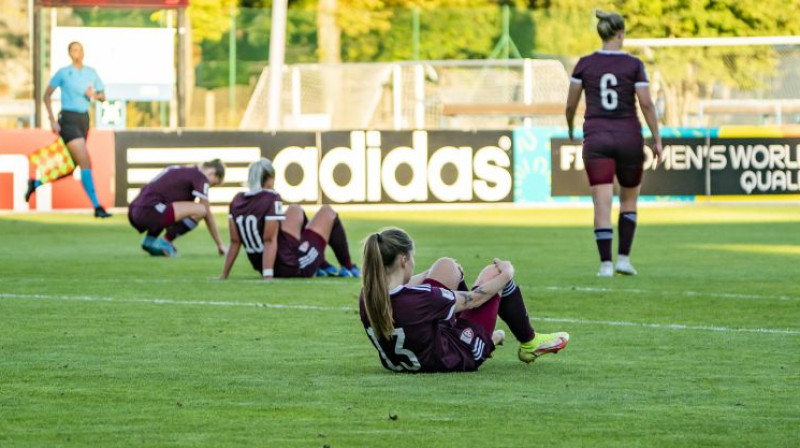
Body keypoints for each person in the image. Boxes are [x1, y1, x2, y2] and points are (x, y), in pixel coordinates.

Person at [359, 228, 570, 373]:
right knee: (492, 272)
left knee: (446, 265)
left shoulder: (368, 296)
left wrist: (446, 270)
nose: (414, 263)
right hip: (454, 356)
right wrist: (506, 274)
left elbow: (409, 287)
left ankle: (489, 337)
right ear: (403, 260)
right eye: (412, 258)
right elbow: (474, 300)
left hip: (414, 355)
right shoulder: (422, 299)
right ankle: (529, 343)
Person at [565, 10, 663, 277]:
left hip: (596, 137)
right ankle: (623, 259)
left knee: (602, 201)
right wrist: (657, 139)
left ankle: (605, 265)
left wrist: (571, 125)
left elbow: (571, 103)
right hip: (629, 136)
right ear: (621, 34)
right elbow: (646, 103)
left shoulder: (584, 64)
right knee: (629, 199)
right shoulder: (634, 65)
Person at [219, 158, 359, 280]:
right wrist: (268, 275)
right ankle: (347, 267)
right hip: (290, 265)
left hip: (267, 262)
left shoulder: (237, 200)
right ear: (270, 178)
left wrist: (224, 274)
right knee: (328, 212)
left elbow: (235, 241)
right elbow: (269, 239)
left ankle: (321, 264)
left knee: (294, 209)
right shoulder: (272, 197)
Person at [25, 41, 112, 218]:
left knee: (72, 167)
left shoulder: (90, 73)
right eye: (73, 50)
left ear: (83, 52)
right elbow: (46, 95)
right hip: (68, 119)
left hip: (84, 120)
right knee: (86, 162)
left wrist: (94, 95)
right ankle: (97, 207)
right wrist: (51, 120)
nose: (76, 53)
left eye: (79, 49)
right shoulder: (64, 73)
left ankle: (35, 183)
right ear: (69, 53)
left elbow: (103, 97)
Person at [128, 160, 227, 257]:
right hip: (149, 212)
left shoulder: (179, 170)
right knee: (200, 210)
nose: (210, 187)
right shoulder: (200, 176)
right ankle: (165, 241)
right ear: (212, 173)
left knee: (168, 206)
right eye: (213, 184)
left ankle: (149, 241)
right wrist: (220, 244)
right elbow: (206, 212)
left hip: (134, 211)